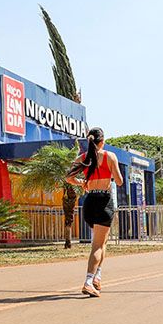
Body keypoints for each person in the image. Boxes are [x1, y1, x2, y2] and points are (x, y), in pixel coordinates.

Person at [66, 127, 124, 297]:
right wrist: (111, 174)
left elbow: (68, 177)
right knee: (97, 245)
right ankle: (88, 281)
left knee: (102, 241)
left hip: (89, 201)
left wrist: (82, 183)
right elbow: (119, 182)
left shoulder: (83, 158)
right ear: (102, 141)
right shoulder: (110, 156)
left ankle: (97, 277)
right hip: (104, 202)